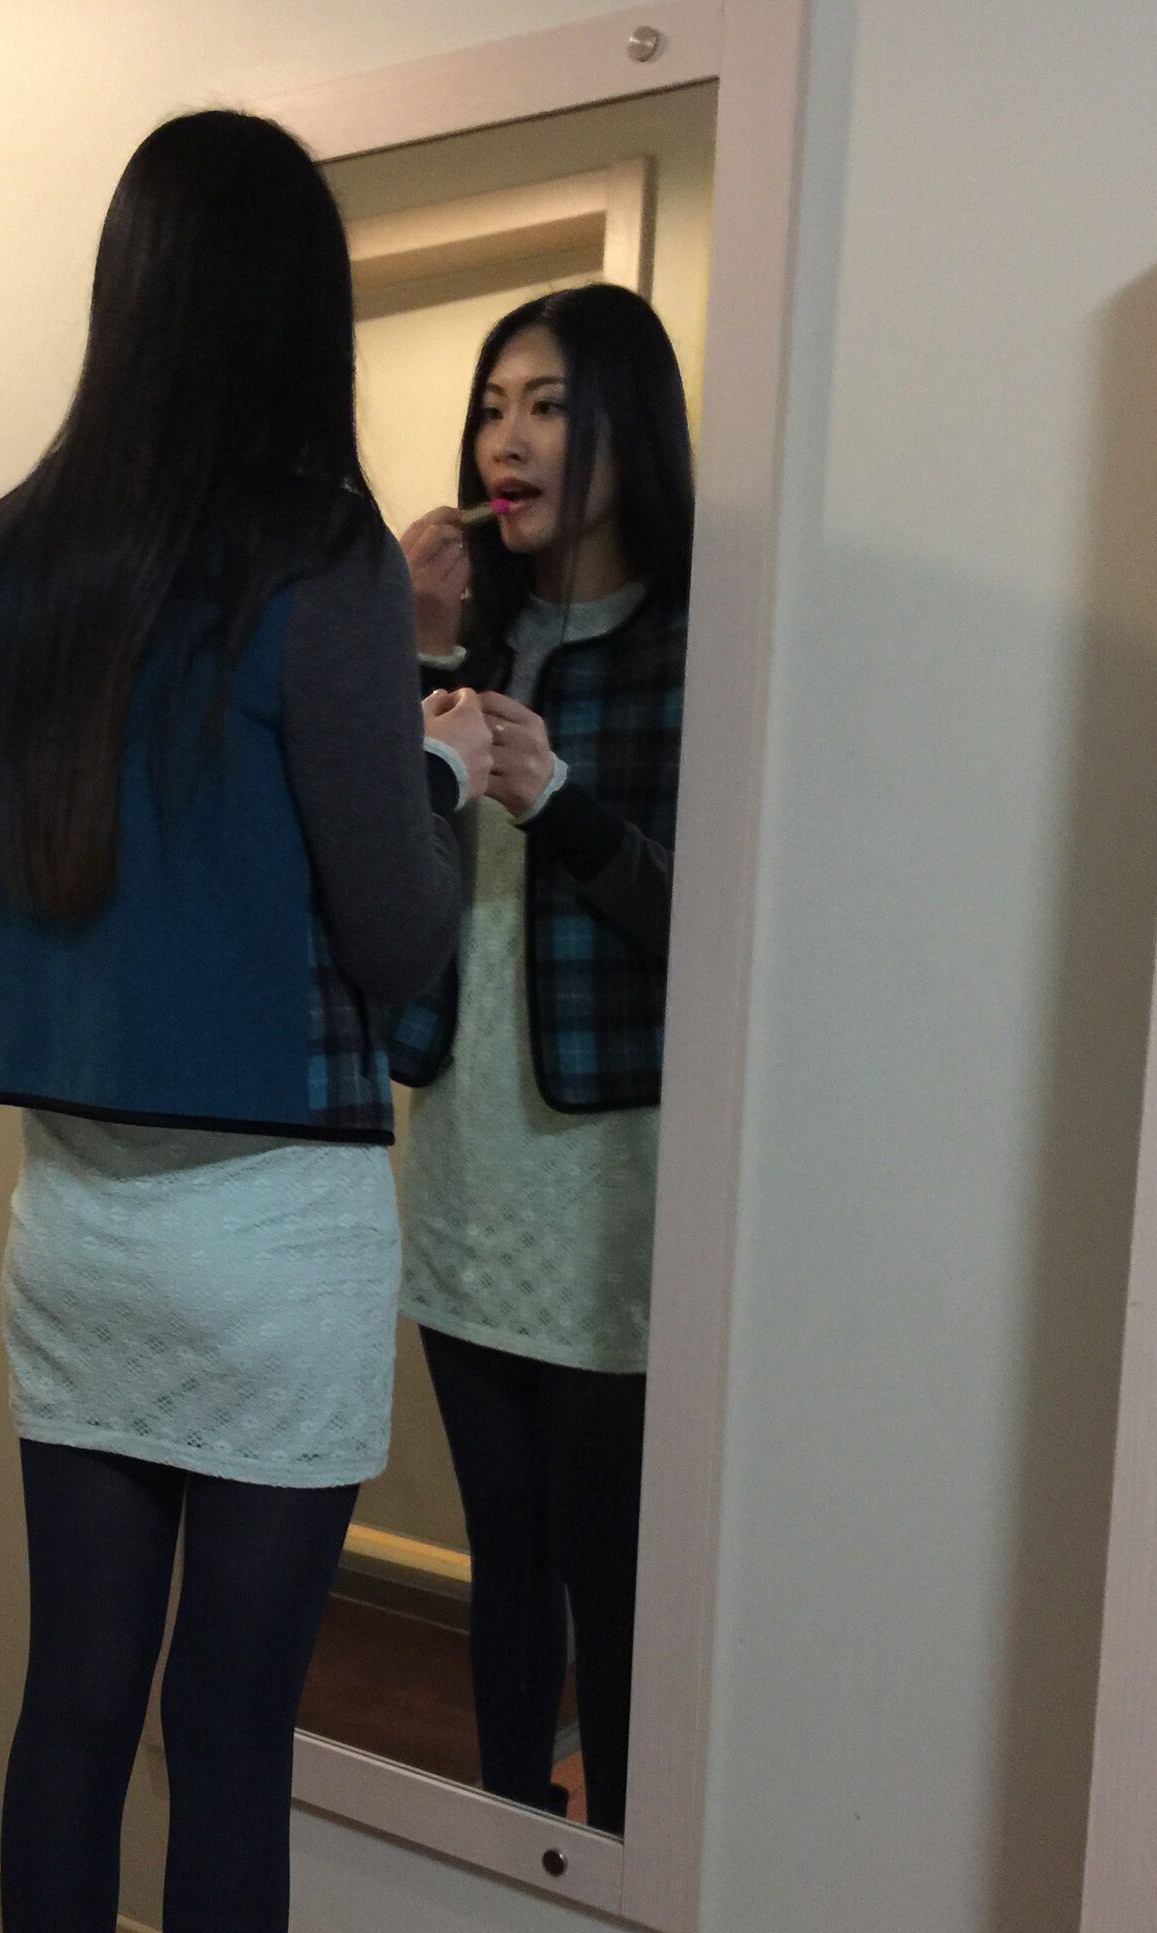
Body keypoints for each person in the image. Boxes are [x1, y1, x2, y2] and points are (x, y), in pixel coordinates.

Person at [0, 110, 492, 1933]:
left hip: (76, 1224)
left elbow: (112, 857)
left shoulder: (9, 565)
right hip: (268, 1233)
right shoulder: (320, 561)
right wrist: (435, 748)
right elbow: (400, 934)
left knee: (74, 1712)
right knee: (225, 1747)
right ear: (295, 305)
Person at [394, 283, 694, 1840]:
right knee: (499, 1550)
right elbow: (364, 865)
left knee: (612, 1559)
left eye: (550, 404)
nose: (505, 440)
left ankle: (624, 1853)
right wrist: (412, 650)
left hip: (615, 1178)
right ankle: (514, 1832)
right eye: (492, 406)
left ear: (630, 429)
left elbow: (721, 932)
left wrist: (561, 806)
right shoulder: (468, 642)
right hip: (464, 1152)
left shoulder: (698, 643)